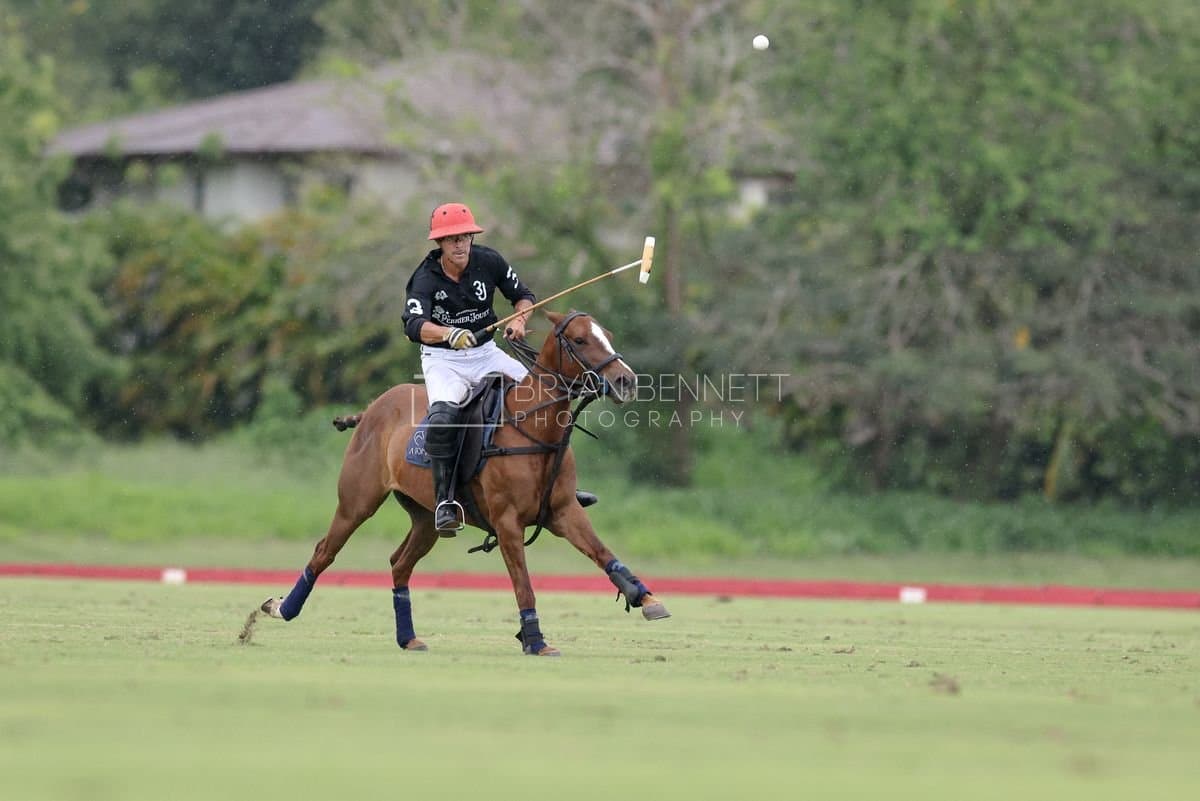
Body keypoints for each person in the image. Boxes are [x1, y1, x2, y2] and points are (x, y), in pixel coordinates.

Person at [402, 202, 595, 535]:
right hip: (443, 360)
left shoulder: (489, 261)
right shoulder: (424, 278)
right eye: (452, 240)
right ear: (440, 244)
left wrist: (520, 320)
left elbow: (522, 295)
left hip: (486, 352)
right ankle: (446, 499)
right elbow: (413, 324)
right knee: (444, 417)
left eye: (465, 237)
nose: (460, 244)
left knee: (546, 396)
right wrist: (449, 333)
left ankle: (562, 487)